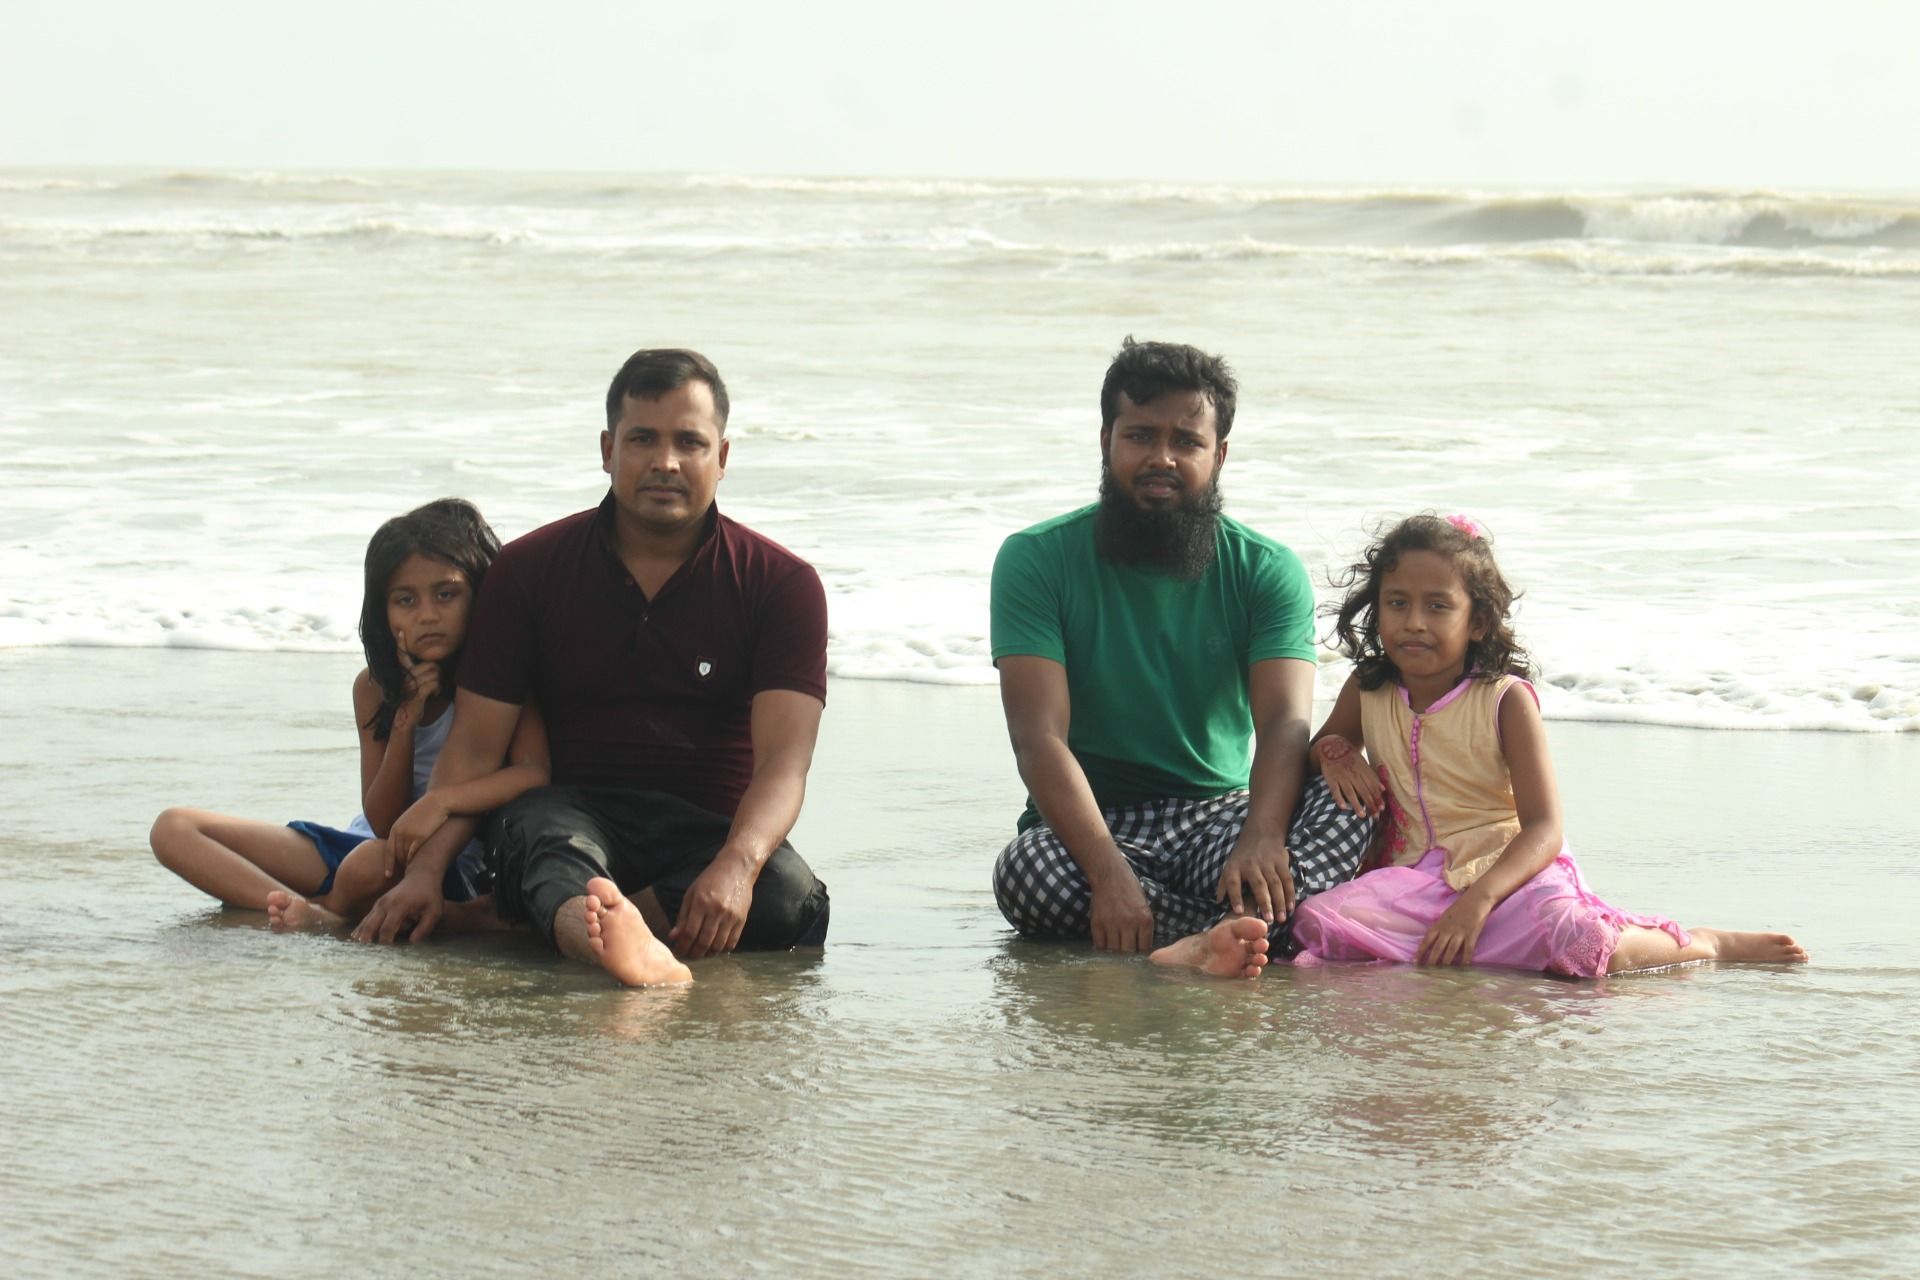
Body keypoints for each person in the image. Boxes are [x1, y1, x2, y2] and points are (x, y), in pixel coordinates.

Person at [352, 349, 831, 988]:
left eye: (689, 442)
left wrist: (737, 866)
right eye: (643, 440)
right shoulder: (529, 572)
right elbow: (474, 751)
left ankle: (599, 928)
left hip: (703, 830)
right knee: (545, 848)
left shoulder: (781, 584)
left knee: (791, 895)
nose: (665, 462)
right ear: (607, 449)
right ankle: (611, 940)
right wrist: (424, 873)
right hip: (566, 816)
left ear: (721, 457)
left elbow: (783, 765)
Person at [990, 338, 1376, 979]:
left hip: (1216, 819)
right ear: (1106, 440)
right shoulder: (1036, 559)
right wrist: (1110, 874)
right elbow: (1038, 739)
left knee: (1350, 798)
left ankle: (1205, 931)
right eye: (1139, 436)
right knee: (1027, 875)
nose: (1161, 459)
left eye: (1186, 442)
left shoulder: (1266, 568)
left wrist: (1261, 834)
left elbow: (1284, 724)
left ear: (1219, 454)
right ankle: (1245, 934)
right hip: (1092, 823)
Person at [1291, 513, 1809, 975]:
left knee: (1582, 945)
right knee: (1317, 922)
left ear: (1478, 622)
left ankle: (1704, 944)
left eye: (1438, 606)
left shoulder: (1505, 700)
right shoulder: (1370, 688)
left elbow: (1545, 828)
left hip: (1509, 876)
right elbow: (1324, 742)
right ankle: (1480, 949)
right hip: (1411, 880)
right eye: (1397, 603)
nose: (1415, 622)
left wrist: (1478, 903)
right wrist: (1335, 753)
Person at [149, 499, 548, 932]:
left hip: (440, 865)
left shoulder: (501, 684)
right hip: (365, 842)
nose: (428, 615)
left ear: (478, 593)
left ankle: (324, 913)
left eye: (446, 594)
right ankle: (311, 909)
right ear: (382, 611)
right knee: (174, 829)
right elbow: (380, 819)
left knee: (365, 867)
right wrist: (405, 723)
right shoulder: (374, 687)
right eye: (406, 600)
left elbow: (532, 772)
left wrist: (440, 801)